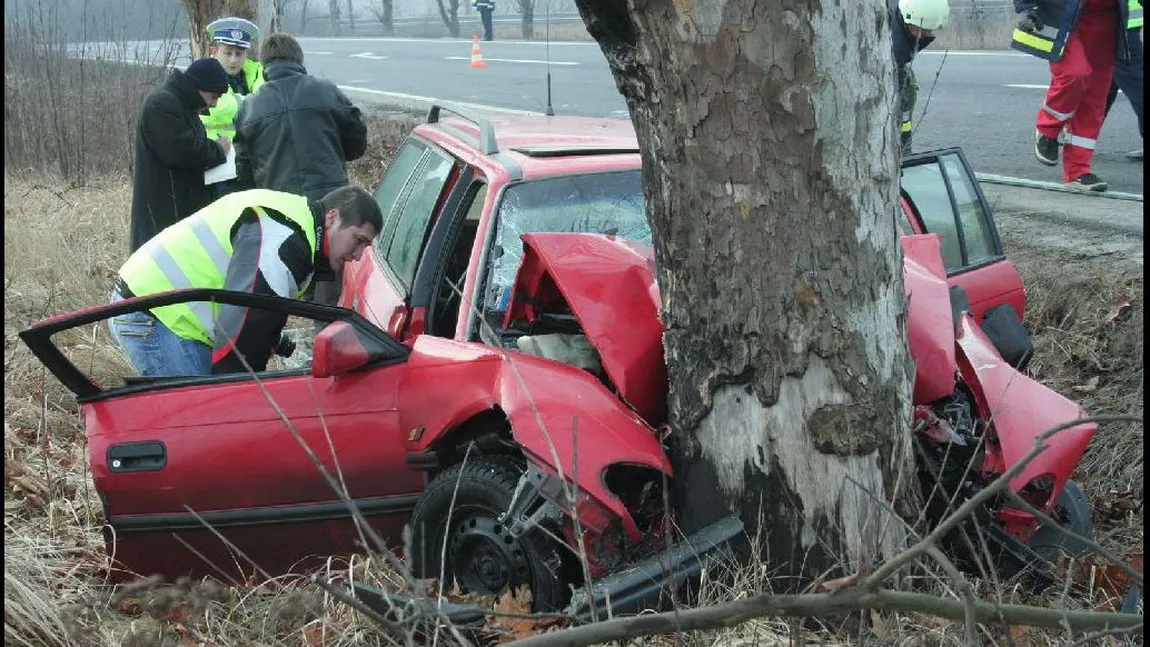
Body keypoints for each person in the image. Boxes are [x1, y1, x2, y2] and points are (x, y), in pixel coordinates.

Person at [108, 186, 383, 377]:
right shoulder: (287, 238)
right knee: (200, 423)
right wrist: (243, 393)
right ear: (333, 218)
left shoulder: (297, 223)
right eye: (358, 240)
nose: (358, 255)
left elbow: (256, 307)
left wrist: (271, 339)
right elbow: (247, 324)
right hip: (154, 312)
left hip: (162, 307)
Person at [233, 32, 368, 306]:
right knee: (331, 275)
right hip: (333, 197)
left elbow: (243, 172)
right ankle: (327, 333)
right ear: (299, 59)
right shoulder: (325, 90)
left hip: (282, 205)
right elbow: (357, 141)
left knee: (285, 274)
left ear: (264, 64)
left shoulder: (249, 107)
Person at [1013, 0, 1138, 191]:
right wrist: (1025, 7)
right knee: (1074, 74)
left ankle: (1077, 172)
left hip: (1107, 19)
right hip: (1065, 15)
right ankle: (1047, 129)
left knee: (1096, 95)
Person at [129, 58, 231, 253]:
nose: (214, 104)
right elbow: (183, 151)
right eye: (214, 96)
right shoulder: (161, 105)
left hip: (177, 213)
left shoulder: (182, 106)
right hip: (162, 216)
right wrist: (218, 150)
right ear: (198, 87)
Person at [201, 16, 266, 197]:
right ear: (214, 51)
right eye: (228, 53)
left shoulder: (258, 72)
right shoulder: (204, 76)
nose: (234, 60)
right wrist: (254, 102)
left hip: (255, 161)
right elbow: (223, 109)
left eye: (239, 53)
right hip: (220, 167)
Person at [891, 0, 951, 156]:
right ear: (909, 19)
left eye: (930, 31)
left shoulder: (901, 12)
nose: (927, 35)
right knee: (905, 88)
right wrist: (905, 150)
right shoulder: (896, 48)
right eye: (923, 30)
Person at [1103, 0, 1144, 161]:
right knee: (1105, 84)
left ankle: (1078, 135)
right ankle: (1080, 135)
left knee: (1136, 85)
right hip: (1121, 22)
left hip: (1120, 22)